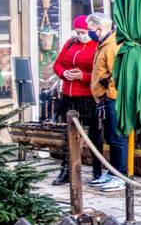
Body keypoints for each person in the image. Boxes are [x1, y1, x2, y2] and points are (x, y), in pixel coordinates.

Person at [50, 15, 102, 185]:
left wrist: (83, 76)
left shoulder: (97, 46)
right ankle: (66, 170)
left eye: (83, 32)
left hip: (87, 96)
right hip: (68, 95)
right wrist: (63, 73)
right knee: (68, 134)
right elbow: (58, 64)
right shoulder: (70, 43)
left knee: (94, 134)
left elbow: (100, 73)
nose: (80, 36)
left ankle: (97, 171)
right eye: (78, 32)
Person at [87, 13, 128, 192]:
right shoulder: (103, 44)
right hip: (104, 98)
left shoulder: (112, 46)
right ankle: (113, 172)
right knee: (111, 138)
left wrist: (109, 95)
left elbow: (116, 74)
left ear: (99, 28)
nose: (89, 33)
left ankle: (121, 175)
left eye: (90, 30)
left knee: (117, 138)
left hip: (112, 98)